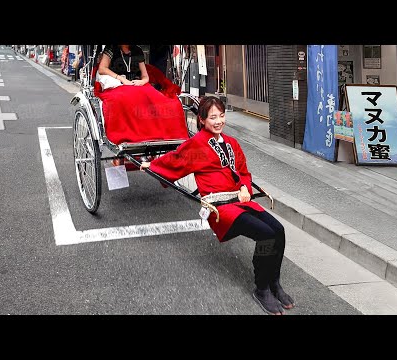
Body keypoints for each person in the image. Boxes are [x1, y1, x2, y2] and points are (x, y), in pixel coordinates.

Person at [140, 96, 295, 315]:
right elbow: (174, 160)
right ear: (201, 120)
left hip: (239, 199)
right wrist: (152, 165)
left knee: (279, 231)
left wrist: (244, 187)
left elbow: (243, 170)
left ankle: (274, 282)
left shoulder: (232, 142)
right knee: (266, 235)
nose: (219, 121)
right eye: (213, 117)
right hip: (219, 207)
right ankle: (261, 288)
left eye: (221, 115)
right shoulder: (195, 145)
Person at [94, 45, 188, 149]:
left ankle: (157, 135)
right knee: (122, 99)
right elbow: (102, 69)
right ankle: (132, 136)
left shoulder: (137, 50)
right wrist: (121, 79)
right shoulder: (111, 48)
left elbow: (145, 76)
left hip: (136, 83)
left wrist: (142, 81)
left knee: (156, 98)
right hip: (115, 84)